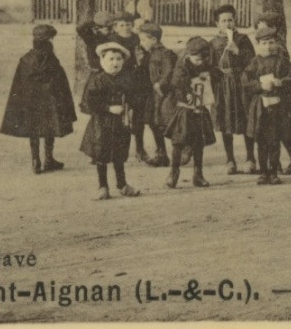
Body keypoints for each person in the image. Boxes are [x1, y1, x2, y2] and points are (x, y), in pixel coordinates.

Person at [0, 23, 77, 173]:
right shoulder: (52, 60)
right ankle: (49, 159)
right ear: (48, 40)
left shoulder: (25, 59)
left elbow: (18, 84)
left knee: (33, 128)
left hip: (31, 102)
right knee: (50, 127)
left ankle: (35, 160)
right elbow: (60, 82)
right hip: (50, 102)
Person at [78, 41, 141, 200]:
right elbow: (89, 103)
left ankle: (122, 185)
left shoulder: (127, 78)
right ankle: (103, 186)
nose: (115, 63)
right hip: (102, 122)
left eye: (119, 59)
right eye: (111, 59)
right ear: (102, 60)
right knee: (101, 153)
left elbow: (134, 97)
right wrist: (108, 108)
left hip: (120, 123)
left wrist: (131, 108)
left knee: (119, 153)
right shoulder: (98, 79)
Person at [161, 37, 219, 189]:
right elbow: (176, 84)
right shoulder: (181, 68)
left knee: (198, 143)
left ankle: (198, 174)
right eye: (196, 59)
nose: (199, 62)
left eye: (202, 59)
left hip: (199, 110)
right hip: (185, 110)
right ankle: (173, 173)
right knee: (178, 142)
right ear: (188, 55)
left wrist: (210, 77)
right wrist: (188, 91)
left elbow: (214, 77)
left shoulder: (206, 66)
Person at [208, 4, 257, 175]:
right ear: (217, 24)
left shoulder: (243, 39)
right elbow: (211, 67)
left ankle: (250, 158)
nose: (228, 23)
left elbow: (252, 62)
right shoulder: (213, 43)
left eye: (231, 20)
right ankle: (230, 160)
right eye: (224, 21)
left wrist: (237, 51)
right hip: (223, 85)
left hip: (241, 84)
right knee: (225, 120)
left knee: (245, 119)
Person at [245, 24, 291, 186]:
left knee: (274, 140)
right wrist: (260, 86)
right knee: (261, 141)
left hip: (278, 106)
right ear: (258, 45)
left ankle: (273, 172)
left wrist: (281, 82)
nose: (268, 46)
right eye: (264, 43)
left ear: (276, 43)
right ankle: (263, 172)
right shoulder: (254, 62)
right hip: (261, 107)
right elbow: (245, 81)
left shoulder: (283, 61)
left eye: (271, 42)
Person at [134, 22, 174, 168]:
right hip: (151, 94)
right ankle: (161, 153)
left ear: (154, 40)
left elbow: (169, 71)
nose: (142, 43)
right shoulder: (148, 54)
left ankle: (183, 148)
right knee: (153, 122)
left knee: (165, 122)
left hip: (161, 95)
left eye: (144, 40)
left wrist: (160, 85)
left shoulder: (164, 53)